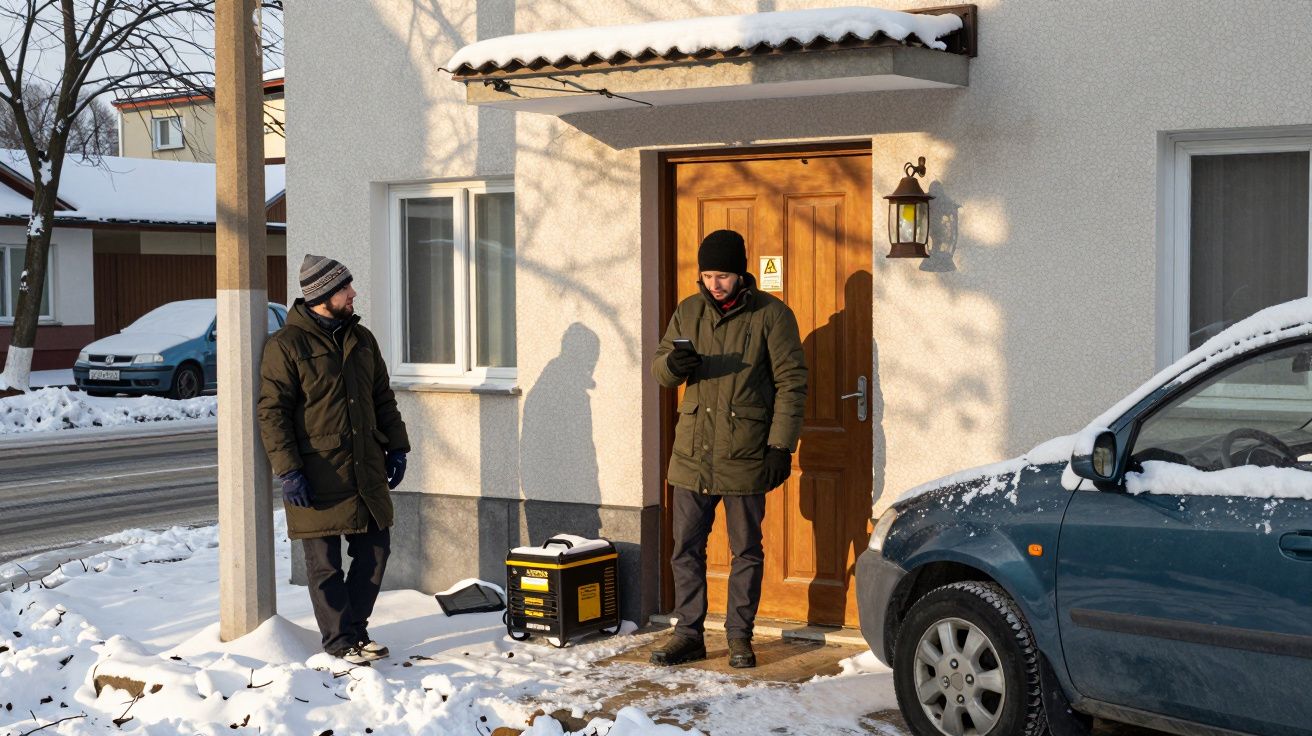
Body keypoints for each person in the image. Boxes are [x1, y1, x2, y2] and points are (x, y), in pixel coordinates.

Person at [649, 229, 808, 669]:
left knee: (746, 550)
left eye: (722, 275)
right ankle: (688, 634)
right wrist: (672, 366)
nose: (714, 283)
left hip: (744, 451)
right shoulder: (688, 311)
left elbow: (791, 384)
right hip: (692, 454)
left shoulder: (772, 315)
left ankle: (740, 636)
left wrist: (781, 446)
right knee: (685, 548)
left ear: (741, 274)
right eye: (707, 275)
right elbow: (660, 369)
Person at [258, 254, 410, 666]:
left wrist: (397, 446)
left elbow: (382, 398)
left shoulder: (362, 340)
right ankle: (340, 642)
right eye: (345, 288)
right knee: (324, 566)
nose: (353, 293)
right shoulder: (286, 346)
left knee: (376, 550)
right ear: (323, 295)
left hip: (364, 468)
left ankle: (354, 630)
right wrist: (288, 470)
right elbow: (272, 413)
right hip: (316, 474)